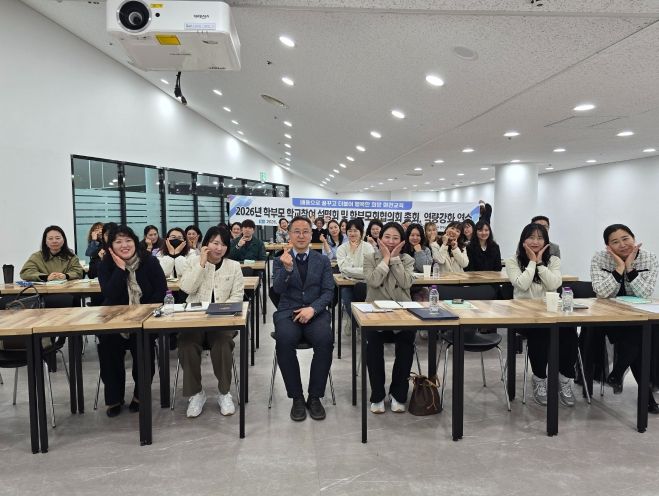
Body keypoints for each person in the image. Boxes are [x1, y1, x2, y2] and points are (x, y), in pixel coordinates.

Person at [97, 225, 167, 417]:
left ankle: (140, 395)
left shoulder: (149, 261)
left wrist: (143, 313)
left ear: (135, 242)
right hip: (115, 319)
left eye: (128, 240)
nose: (124, 245)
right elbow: (110, 294)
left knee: (143, 345)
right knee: (107, 346)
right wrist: (120, 269)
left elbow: (160, 290)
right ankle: (114, 398)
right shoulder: (105, 265)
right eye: (118, 242)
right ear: (111, 246)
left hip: (144, 318)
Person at [506, 223, 577, 407]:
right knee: (540, 332)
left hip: (550, 311)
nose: (535, 242)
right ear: (523, 240)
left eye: (540, 238)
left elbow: (554, 284)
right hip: (524, 315)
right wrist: (531, 262)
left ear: (546, 241)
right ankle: (539, 378)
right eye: (531, 237)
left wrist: (539, 263)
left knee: (568, 331)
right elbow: (522, 284)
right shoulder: (513, 261)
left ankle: (565, 378)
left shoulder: (553, 260)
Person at [590, 223, 659, 412]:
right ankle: (643, 395)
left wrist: (630, 267)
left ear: (633, 238)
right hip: (608, 317)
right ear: (608, 246)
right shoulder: (600, 258)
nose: (622, 244)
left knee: (640, 333)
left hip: (638, 315)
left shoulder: (649, 257)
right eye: (615, 242)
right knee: (638, 337)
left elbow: (644, 293)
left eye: (625, 238)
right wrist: (619, 267)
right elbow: (602, 292)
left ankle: (618, 374)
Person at [272, 216, 334, 422]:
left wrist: (313, 309)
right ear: (289, 235)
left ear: (311, 234)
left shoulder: (322, 260)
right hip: (288, 312)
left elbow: (328, 292)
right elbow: (277, 289)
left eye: (305, 231)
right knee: (284, 340)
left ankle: (315, 397)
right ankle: (297, 397)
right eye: (296, 231)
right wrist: (287, 269)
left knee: (325, 339)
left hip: (315, 312)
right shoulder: (280, 259)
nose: (301, 235)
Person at [178, 226, 244, 418]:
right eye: (215, 243)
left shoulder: (234, 266)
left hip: (221, 322)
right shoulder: (192, 261)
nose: (219, 248)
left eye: (223, 244)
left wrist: (221, 313)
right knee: (186, 344)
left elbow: (237, 296)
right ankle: (196, 394)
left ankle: (224, 392)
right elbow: (187, 288)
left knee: (223, 343)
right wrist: (201, 264)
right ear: (206, 244)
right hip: (194, 322)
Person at [363, 222, 416, 413]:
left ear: (402, 241)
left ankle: (398, 394)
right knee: (373, 346)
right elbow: (373, 281)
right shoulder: (370, 257)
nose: (391, 241)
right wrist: (385, 259)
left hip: (402, 314)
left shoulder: (407, 259)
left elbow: (406, 283)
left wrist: (394, 260)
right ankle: (377, 395)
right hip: (376, 314)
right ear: (379, 239)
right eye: (387, 237)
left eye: (395, 238)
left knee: (407, 344)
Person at [336, 219, 374, 320]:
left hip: (366, 283)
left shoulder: (368, 247)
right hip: (347, 284)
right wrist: (351, 252)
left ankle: (363, 322)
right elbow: (342, 269)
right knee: (346, 295)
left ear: (361, 232)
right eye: (350, 231)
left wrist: (349, 272)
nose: (352, 234)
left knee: (364, 294)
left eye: (355, 230)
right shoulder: (341, 248)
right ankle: (355, 323)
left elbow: (369, 271)